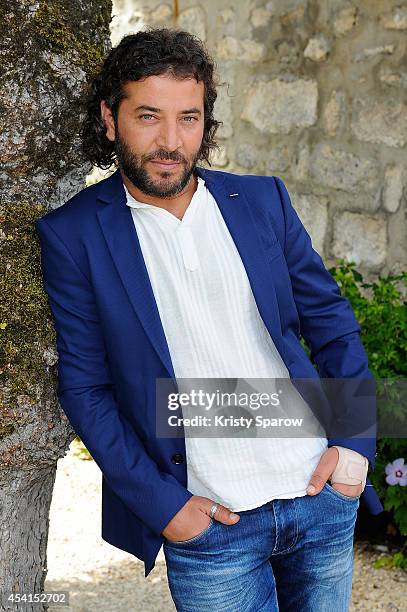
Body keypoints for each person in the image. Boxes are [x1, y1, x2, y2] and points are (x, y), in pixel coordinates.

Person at [36, 27, 384, 611]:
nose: (170, 141)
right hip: (210, 525)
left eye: (188, 118)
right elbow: (86, 387)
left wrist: (352, 447)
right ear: (109, 117)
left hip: (319, 495)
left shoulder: (263, 201)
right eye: (148, 116)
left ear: (206, 121)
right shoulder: (74, 235)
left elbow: (331, 321)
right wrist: (166, 509)